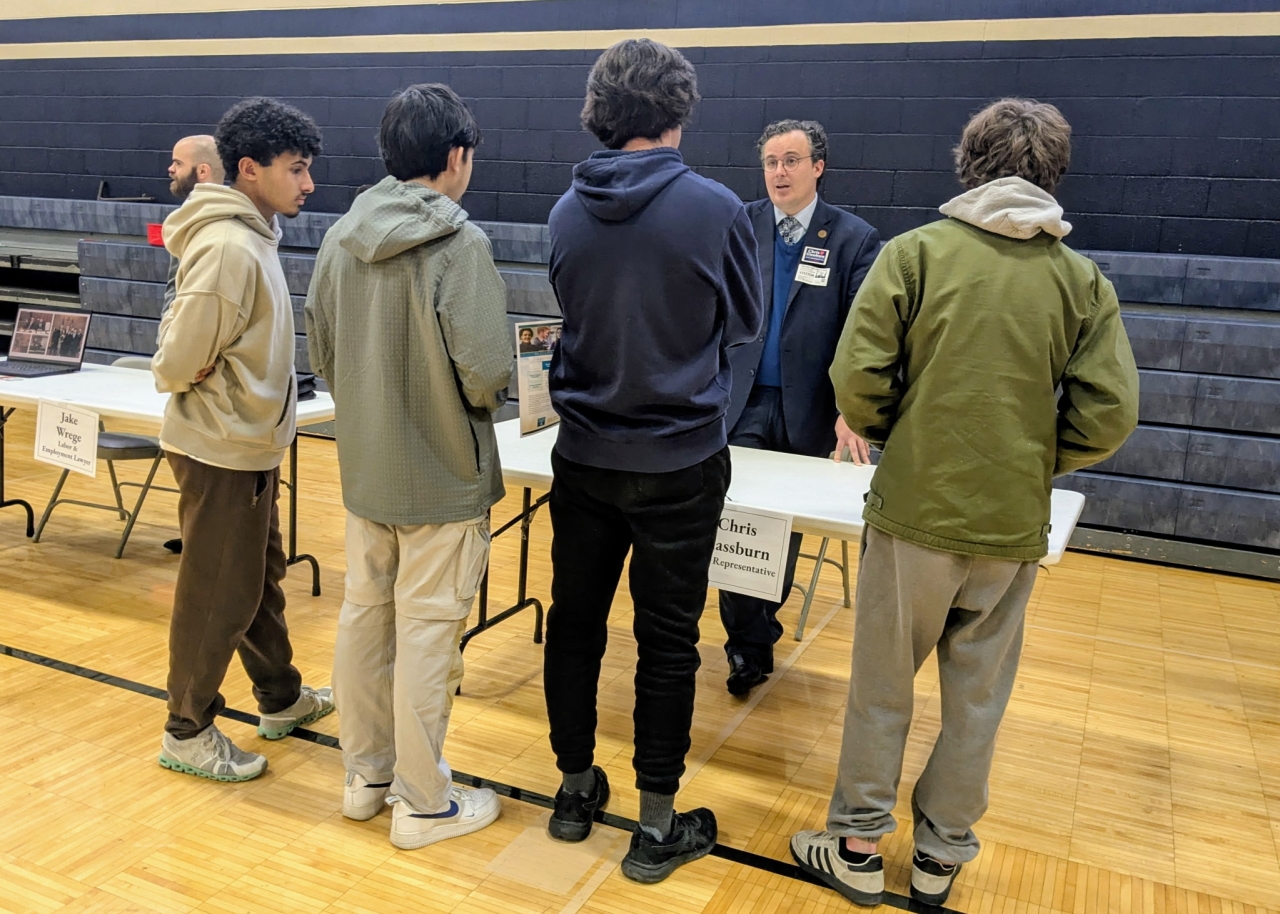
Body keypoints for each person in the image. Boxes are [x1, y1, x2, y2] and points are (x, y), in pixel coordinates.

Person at [790, 98, 1139, 908]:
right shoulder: (1081, 280)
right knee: (978, 696)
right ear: (1051, 170)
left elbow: (856, 378)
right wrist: (1036, 458)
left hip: (915, 509)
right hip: (1013, 522)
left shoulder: (914, 256)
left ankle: (857, 846)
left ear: (967, 162)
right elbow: (1111, 412)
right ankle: (942, 856)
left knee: (883, 684)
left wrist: (900, 438)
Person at [541, 38, 764, 884]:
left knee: (575, 623)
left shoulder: (566, 210)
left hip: (585, 454)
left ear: (601, 110)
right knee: (667, 641)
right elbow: (743, 323)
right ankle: (657, 824)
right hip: (681, 460)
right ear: (679, 109)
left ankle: (572, 791)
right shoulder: (717, 209)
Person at [305, 83, 513, 850]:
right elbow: (488, 371)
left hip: (365, 472)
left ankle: (367, 778)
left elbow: (321, 354)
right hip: (444, 479)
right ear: (457, 156)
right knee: (429, 635)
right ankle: (425, 803)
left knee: (365, 621)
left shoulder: (338, 239)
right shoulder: (461, 246)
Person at [151, 97, 331, 783]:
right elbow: (173, 359)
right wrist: (192, 368)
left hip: (249, 446)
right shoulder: (229, 247)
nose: (307, 184)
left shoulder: (252, 234)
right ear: (249, 170)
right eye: (297, 169)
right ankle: (187, 731)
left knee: (257, 579)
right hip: (220, 450)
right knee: (217, 594)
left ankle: (280, 697)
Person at [719, 119, 880, 698]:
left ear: (818, 167)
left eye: (791, 160)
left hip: (811, 410)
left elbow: (866, 333)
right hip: (740, 406)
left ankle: (754, 630)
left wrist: (852, 409)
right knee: (742, 522)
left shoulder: (854, 238)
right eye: (770, 162)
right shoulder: (739, 224)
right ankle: (748, 644)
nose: (778, 172)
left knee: (779, 532)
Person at [164, 135, 226, 315]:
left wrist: (168, 337)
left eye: (178, 163)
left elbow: (179, 295)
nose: (171, 169)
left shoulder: (206, 223)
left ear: (203, 171)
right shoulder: (191, 217)